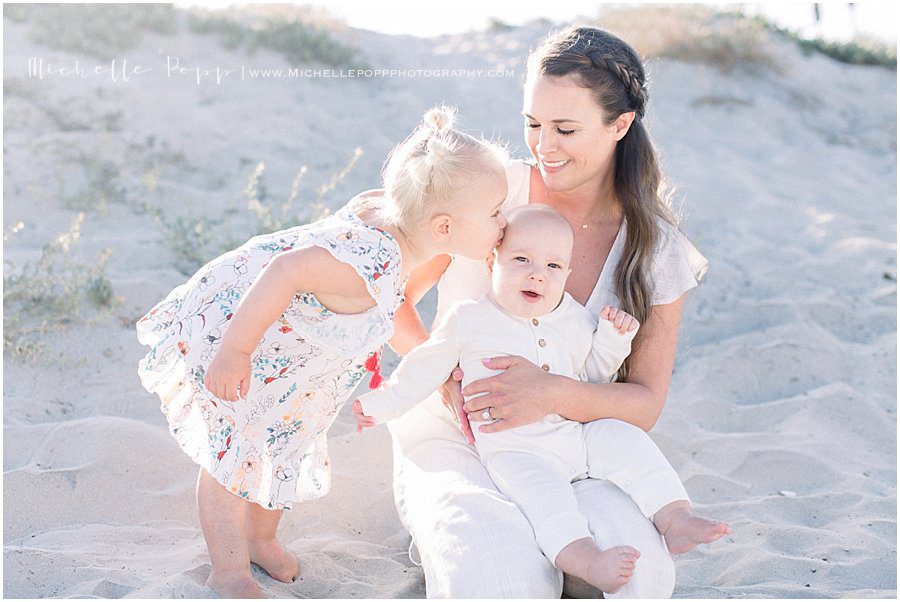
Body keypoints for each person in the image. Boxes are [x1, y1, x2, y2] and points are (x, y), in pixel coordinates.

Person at [385, 26, 714, 598]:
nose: (544, 146)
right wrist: (440, 377)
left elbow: (644, 401)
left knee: (640, 580)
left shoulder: (654, 247)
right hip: (458, 436)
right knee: (497, 579)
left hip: (573, 443)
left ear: (620, 125)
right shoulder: (491, 191)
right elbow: (390, 298)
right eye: (532, 124)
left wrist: (547, 393)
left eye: (565, 128)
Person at [135, 106, 509, 598]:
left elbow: (393, 307)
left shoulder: (397, 224)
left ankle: (259, 538)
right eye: (496, 212)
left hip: (296, 363)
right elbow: (286, 271)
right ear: (442, 228)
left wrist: (435, 369)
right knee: (233, 454)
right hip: (243, 335)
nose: (505, 220)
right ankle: (227, 571)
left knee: (283, 443)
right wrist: (236, 351)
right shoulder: (367, 265)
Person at [353, 205, 728, 594]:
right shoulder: (470, 319)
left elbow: (594, 375)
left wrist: (613, 341)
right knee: (547, 501)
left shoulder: (572, 318)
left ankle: (674, 515)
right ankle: (586, 559)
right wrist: (380, 405)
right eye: (521, 260)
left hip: (575, 433)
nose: (537, 273)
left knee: (625, 440)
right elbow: (422, 369)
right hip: (518, 449)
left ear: (566, 275)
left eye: (552, 267)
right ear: (491, 261)